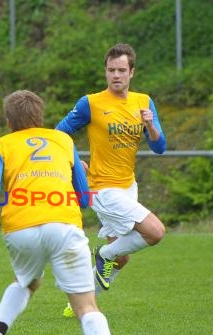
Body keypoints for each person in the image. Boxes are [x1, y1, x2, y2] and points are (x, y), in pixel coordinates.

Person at [0, 90, 130, 335]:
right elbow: (83, 198)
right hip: (63, 224)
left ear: (9, 121)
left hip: (21, 228)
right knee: (85, 304)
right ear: (40, 117)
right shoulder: (63, 140)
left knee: (27, 282)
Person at [56, 43, 166, 318]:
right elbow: (59, 134)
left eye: (121, 70)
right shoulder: (91, 103)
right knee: (155, 232)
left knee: (123, 256)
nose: (116, 75)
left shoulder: (143, 101)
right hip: (102, 188)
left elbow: (160, 146)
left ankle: (78, 305)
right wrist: (73, 162)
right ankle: (103, 254)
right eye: (110, 70)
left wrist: (150, 125)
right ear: (105, 72)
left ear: (132, 72)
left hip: (128, 186)